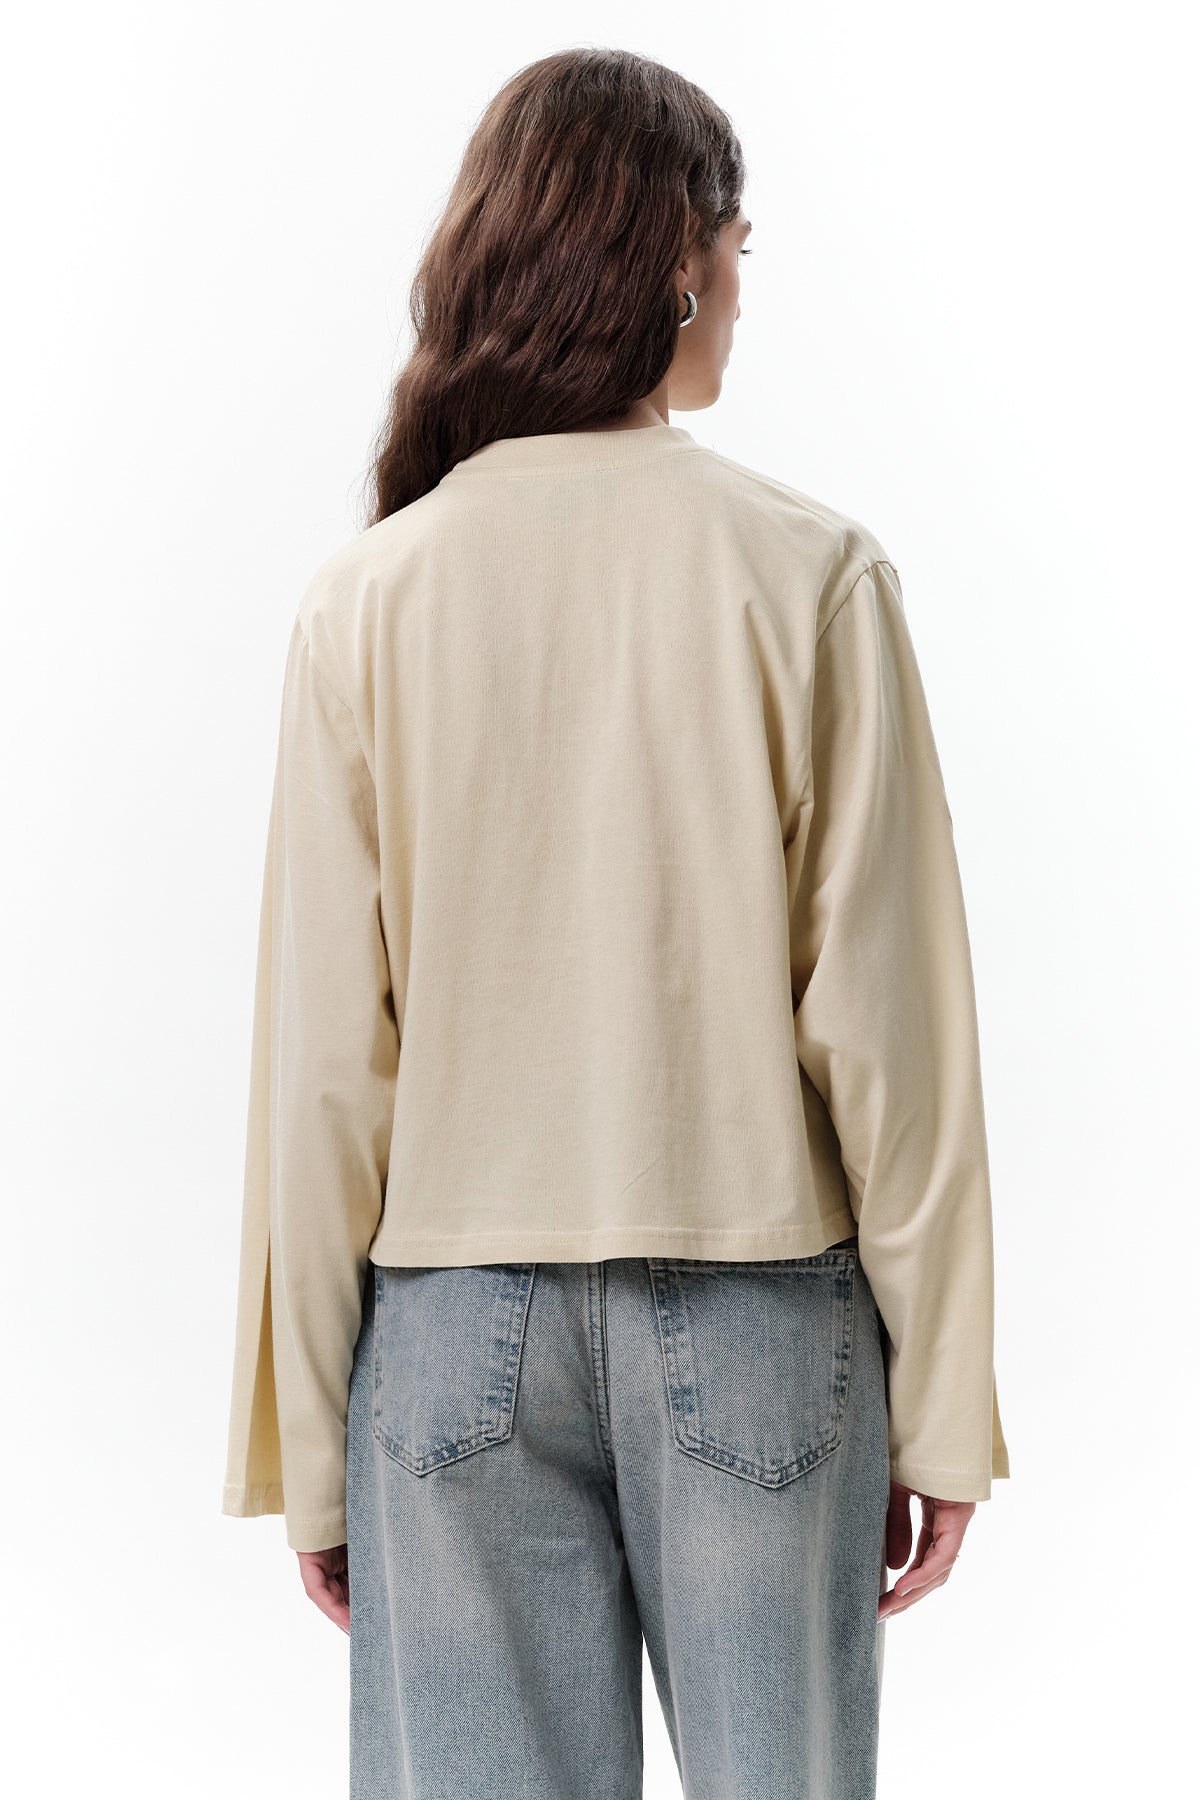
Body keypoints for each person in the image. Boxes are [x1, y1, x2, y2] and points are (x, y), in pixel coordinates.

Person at [221, 45, 1010, 1800]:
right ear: (676, 259)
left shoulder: (368, 600)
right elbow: (895, 1041)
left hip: (449, 1343)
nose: (743, 285)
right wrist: (947, 1399)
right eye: (740, 246)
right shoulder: (810, 574)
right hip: (761, 1320)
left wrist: (314, 1445)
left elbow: (326, 1073)